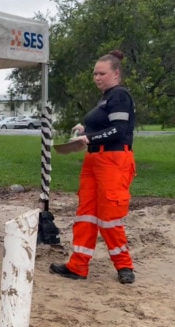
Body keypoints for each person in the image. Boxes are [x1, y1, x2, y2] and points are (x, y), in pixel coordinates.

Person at [50, 50, 137, 284]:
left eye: (102, 73)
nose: (97, 77)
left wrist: (90, 138)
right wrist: (85, 132)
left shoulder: (119, 96)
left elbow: (117, 130)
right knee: (86, 213)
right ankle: (78, 265)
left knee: (109, 217)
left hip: (113, 161)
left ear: (116, 73)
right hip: (94, 160)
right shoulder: (106, 97)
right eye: (95, 73)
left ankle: (124, 266)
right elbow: (104, 127)